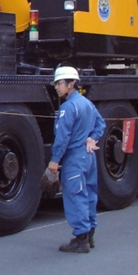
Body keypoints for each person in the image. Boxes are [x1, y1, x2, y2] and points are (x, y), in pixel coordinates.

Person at [48, 65, 106, 253]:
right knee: (89, 195)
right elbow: (100, 123)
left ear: (71, 84)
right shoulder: (87, 104)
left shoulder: (68, 107)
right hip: (88, 158)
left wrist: (55, 159)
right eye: (56, 83)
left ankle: (81, 240)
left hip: (74, 158)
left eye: (59, 83)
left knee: (75, 196)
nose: (56, 87)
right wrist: (92, 138)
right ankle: (90, 235)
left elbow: (63, 136)